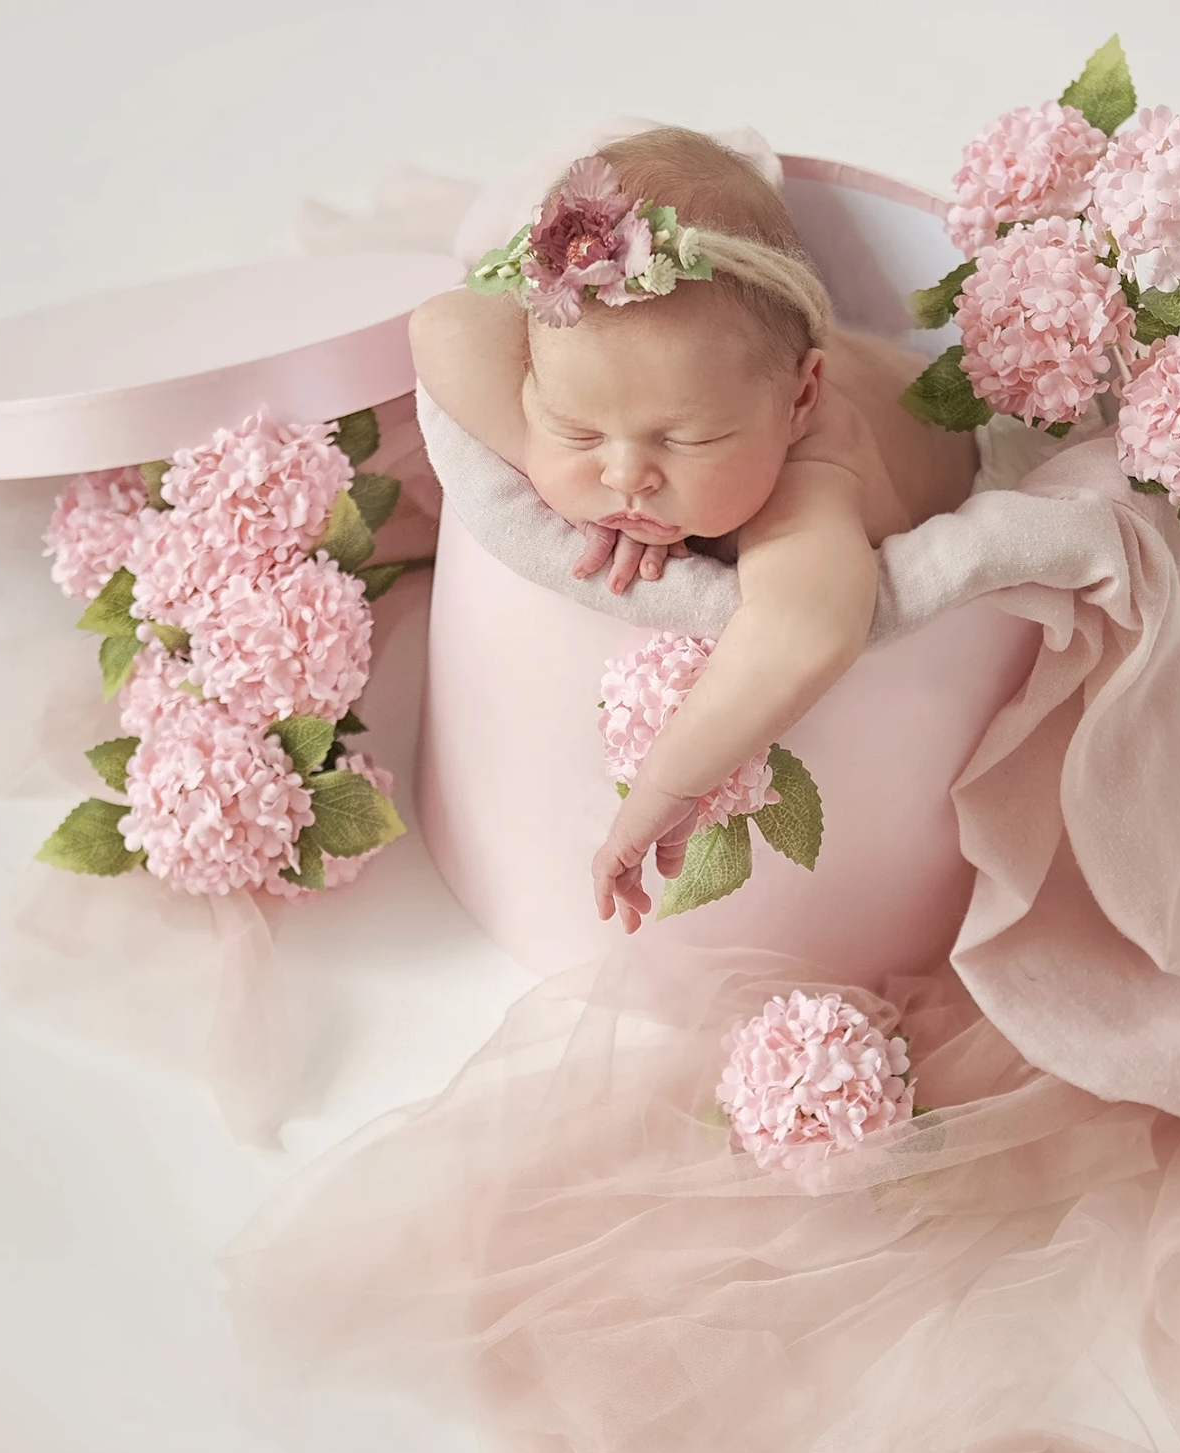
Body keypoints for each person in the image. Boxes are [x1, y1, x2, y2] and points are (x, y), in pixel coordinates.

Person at [406, 126, 980, 931]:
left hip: (918, 409)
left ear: (801, 403)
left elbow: (806, 628)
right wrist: (582, 462)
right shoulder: (647, 400)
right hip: (756, 362)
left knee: (742, 361)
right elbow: (441, 327)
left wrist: (666, 787)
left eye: (682, 441)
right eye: (576, 431)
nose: (624, 476)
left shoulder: (812, 468)